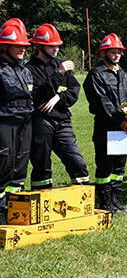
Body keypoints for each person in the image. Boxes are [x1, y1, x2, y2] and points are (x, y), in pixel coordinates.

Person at [27, 23, 89, 190]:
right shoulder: (29, 69)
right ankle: (41, 199)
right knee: (42, 164)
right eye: (51, 46)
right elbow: (39, 96)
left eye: (57, 45)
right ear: (39, 46)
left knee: (76, 161)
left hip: (62, 121)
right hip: (41, 122)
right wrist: (58, 74)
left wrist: (58, 98)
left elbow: (75, 89)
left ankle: (83, 198)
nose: (55, 49)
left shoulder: (60, 64)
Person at [83, 33, 127, 213]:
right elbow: (102, 102)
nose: (116, 56)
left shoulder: (123, 74)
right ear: (103, 53)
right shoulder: (96, 75)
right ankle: (105, 200)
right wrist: (120, 120)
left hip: (124, 128)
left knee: (119, 166)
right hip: (106, 127)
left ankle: (116, 198)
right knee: (105, 165)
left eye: (118, 52)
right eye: (112, 52)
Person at [0, 23, 34, 224]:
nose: (22, 49)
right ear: (4, 47)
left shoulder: (24, 69)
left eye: (24, 46)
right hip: (5, 122)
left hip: (25, 122)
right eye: (17, 46)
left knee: (19, 167)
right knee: (3, 165)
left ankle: (13, 211)